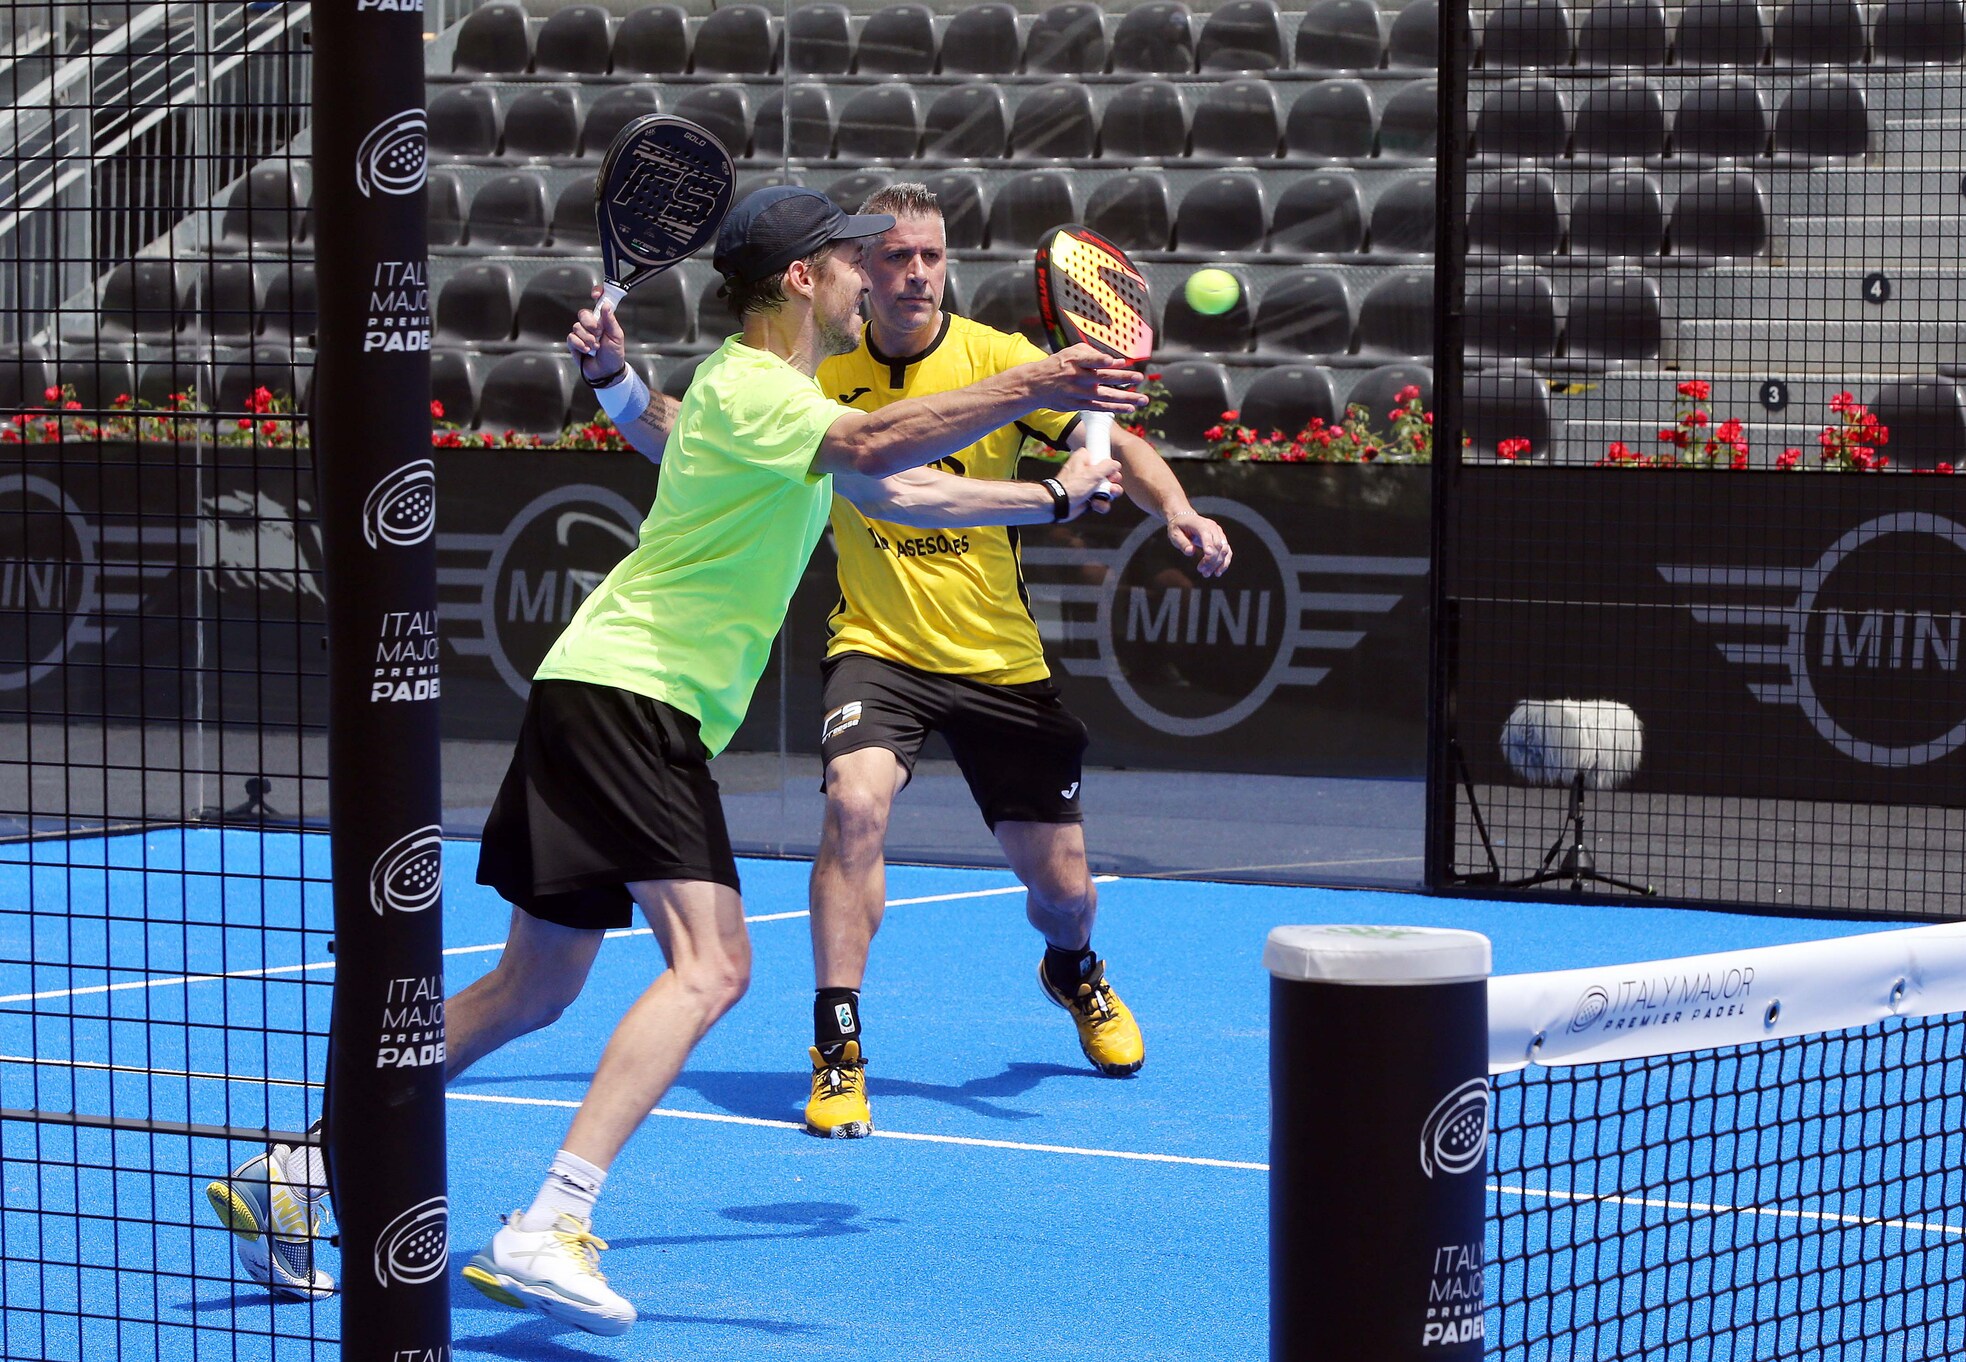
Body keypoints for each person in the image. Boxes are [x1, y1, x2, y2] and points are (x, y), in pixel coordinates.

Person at [205, 186, 1145, 1328]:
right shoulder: (759, 388)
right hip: (637, 697)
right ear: (801, 278)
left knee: (531, 988)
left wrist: (1051, 498)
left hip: (589, 687)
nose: (868, 277)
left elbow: (891, 484)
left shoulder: (760, 396)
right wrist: (1041, 384)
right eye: (851, 260)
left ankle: (298, 1168)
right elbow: (871, 444)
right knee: (713, 966)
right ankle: (551, 1222)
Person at [797, 184, 1234, 1141]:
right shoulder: (822, 374)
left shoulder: (998, 360)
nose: (917, 274)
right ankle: (837, 1049)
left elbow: (1119, 442)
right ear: (863, 268)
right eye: (896, 257)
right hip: (877, 645)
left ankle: (1073, 971)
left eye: (932, 257)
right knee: (854, 805)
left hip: (997, 658)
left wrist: (1178, 511)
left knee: (1065, 895)